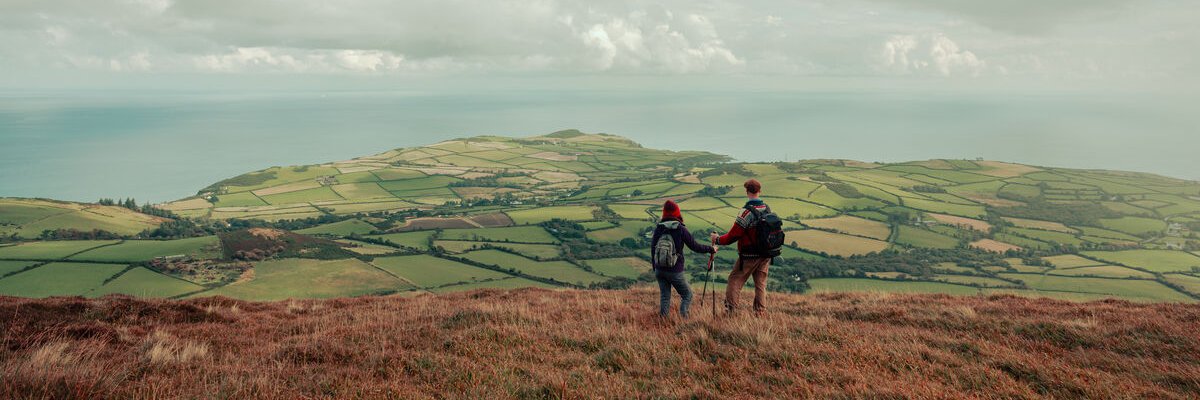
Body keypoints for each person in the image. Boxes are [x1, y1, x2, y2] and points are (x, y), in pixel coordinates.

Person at [711, 179, 772, 315]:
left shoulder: (746, 212)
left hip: (749, 255)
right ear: (759, 191)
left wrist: (718, 239)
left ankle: (731, 311)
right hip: (765, 253)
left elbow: (733, 235)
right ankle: (760, 312)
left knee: (735, 279)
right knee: (760, 283)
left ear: (747, 191)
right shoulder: (767, 208)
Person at [650, 200, 717, 319]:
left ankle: (663, 321)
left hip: (660, 269)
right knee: (687, 295)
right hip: (675, 270)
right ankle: (684, 318)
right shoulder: (680, 229)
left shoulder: (659, 228)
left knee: (665, 296)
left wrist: (655, 268)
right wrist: (711, 249)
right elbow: (695, 246)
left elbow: (653, 249)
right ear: (677, 212)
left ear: (664, 213)